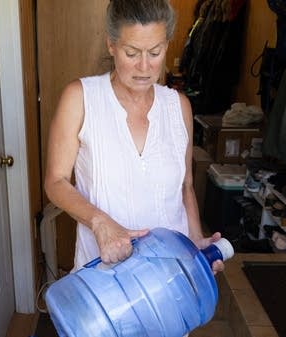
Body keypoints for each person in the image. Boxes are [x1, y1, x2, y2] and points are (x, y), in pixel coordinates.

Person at [44, 0, 225, 275]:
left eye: (155, 52)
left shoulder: (179, 106)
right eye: (132, 53)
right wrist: (99, 222)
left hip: (170, 276)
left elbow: (185, 186)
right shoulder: (81, 98)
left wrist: (197, 240)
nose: (144, 66)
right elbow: (55, 182)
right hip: (105, 279)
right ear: (111, 45)